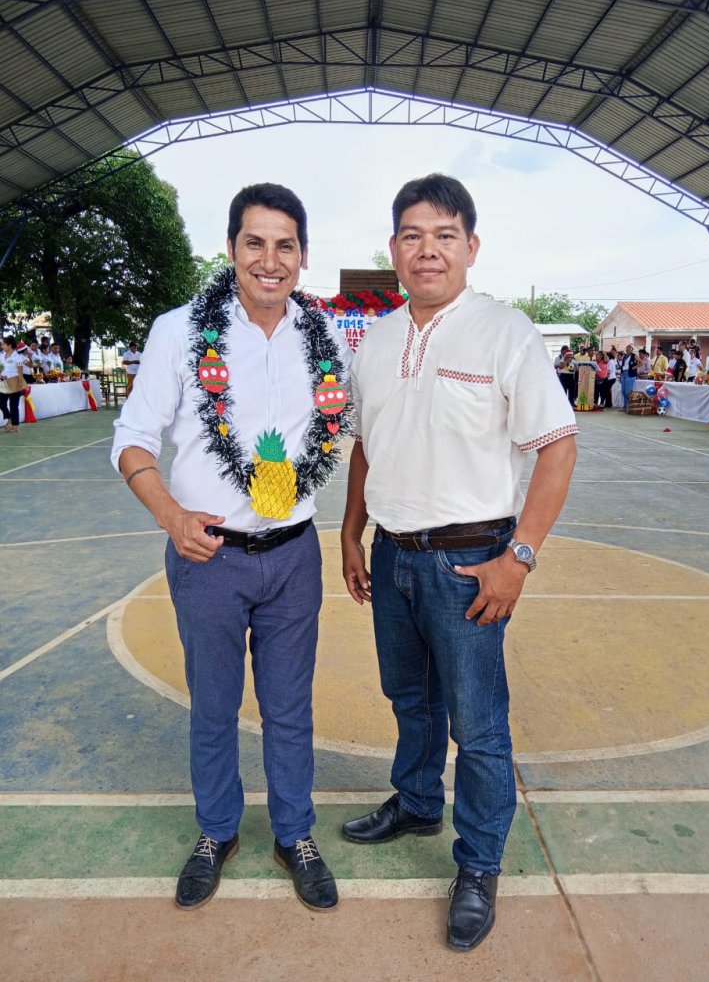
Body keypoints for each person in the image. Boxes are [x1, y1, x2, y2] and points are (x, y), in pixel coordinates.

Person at [340, 174, 578, 952]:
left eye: (444, 234)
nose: (427, 248)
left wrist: (519, 557)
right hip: (395, 556)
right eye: (412, 234)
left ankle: (478, 864)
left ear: (471, 246)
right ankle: (414, 801)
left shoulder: (506, 331)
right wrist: (351, 531)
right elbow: (367, 445)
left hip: (472, 562)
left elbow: (556, 448)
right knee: (409, 697)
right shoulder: (373, 342)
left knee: (478, 726)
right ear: (394, 250)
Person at [111, 182, 350, 913]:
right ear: (231, 250)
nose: (269, 260)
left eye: (285, 245)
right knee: (213, 706)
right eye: (256, 243)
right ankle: (216, 832)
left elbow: (349, 434)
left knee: (290, 707)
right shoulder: (179, 331)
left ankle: (294, 834)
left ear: (302, 257)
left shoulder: (328, 339)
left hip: (293, 553)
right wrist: (171, 515)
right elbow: (133, 439)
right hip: (207, 554)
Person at [0, 336, 27, 433]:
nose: (2, 346)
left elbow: (20, 371)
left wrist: (20, 383)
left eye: (4, 344)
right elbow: (1, 368)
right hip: (3, 382)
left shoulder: (17, 356)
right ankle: (9, 418)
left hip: (15, 382)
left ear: (9, 345)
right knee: (1, 403)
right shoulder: (1, 355)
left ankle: (15, 426)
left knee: (13, 405)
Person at [619, 344, 638, 409]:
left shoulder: (634, 356)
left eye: (629, 348)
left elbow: (641, 363)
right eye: (627, 347)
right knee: (623, 391)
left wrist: (634, 367)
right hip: (623, 373)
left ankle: (628, 407)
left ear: (632, 349)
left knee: (628, 392)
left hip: (630, 374)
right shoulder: (625, 356)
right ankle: (625, 407)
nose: (627, 349)